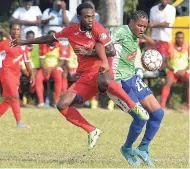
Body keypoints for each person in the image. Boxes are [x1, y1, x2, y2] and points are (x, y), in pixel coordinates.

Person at [10, 3, 149, 150]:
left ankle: (135, 107)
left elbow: (111, 51)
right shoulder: (71, 31)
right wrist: (24, 41)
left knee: (105, 79)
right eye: (87, 17)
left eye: (92, 16)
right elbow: (50, 38)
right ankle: (92, 130)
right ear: (79, 17)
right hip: (84, 77)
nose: (91, 20)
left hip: (101, 70)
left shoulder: (98, 28)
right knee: (62, 104)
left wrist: (90, 53)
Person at [104, 10, 164, 166]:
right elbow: (104, 42)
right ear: (131, 22)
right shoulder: (121, 31)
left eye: (145, 26)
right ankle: (127, 148)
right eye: (139, 26)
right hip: (117, 83)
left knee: (157, 113)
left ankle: (143, 148)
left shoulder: (136, 34)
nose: (142, 29)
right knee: (141, 117)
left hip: (131, 78)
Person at [0, 24, 35, 128]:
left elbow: (27, 61)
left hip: (16, 74)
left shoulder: (23, 45)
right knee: (15, 96)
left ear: (20, 31)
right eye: (13, 29)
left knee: (8, 99)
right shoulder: (4, 44)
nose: (15, 31)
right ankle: (19, 122)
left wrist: (31, 74)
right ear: (10, 30)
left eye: (18, 29)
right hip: (6, 73)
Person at [36, 30, 69, 107]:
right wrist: (45, 68)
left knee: (58, 77)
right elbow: (41, 60)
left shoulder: (60, 46)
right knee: (38, 78)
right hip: (45, 67)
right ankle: (41, 101)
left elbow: (62, 61)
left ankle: (56, 100)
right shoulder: (43, 45)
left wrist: (51, 69)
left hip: (56, 67)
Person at [161, 31, 190, 110]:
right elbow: (166, 62)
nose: (180, 39)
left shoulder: (187, 46)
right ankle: (162, 106)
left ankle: (189, 107)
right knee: (168, 81)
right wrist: (175, 70)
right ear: (175, 38)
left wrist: (185, 70)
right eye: (178, 38)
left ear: (183, 39)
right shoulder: (170, 46)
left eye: (181, 38)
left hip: (185, 71)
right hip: (173, 71)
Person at [149, 0, 176, 68]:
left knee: (163, 63)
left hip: (165, 40)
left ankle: (161, 77)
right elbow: (150, 26)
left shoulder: (171, 9)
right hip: (154, 40)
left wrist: (154, 24)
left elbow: (167, 23)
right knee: (151, 62)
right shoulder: (153, 9)